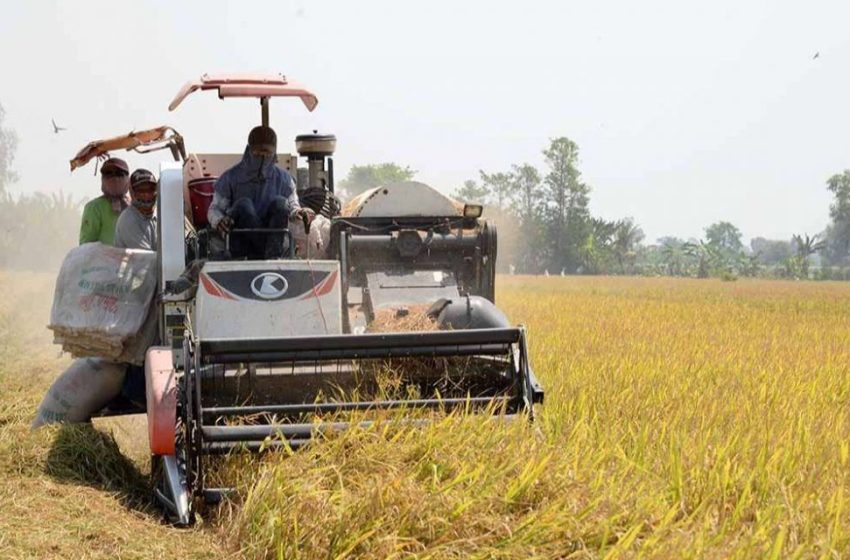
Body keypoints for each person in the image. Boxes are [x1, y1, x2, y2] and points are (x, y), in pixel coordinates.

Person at [207, 126, 314, 258]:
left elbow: (293, 207)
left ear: (274, 152)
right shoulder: (230, 178)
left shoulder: (285, 180)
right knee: (243, 205)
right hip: (241, 245)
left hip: (273, 244)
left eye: (267, 154)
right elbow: (214, 209)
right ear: (249, 150)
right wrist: (219, 221)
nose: (263, 159)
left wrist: (299, 213)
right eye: (258, 154)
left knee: (281, 203)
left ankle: (271, 256)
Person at [79, 157, 131, 245]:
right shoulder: (94, 207)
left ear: (127, 179)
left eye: (119, 174)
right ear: (102, 179)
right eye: (108, 174)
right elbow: (86, 246)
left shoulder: (135, 207)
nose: (114, 178)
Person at [114, 168, 158, 250]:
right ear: (132, 192)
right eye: (141, 191)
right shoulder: (128, 220)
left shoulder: (160, 215)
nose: (147, 195)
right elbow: (146, 258)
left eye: (151, 189)